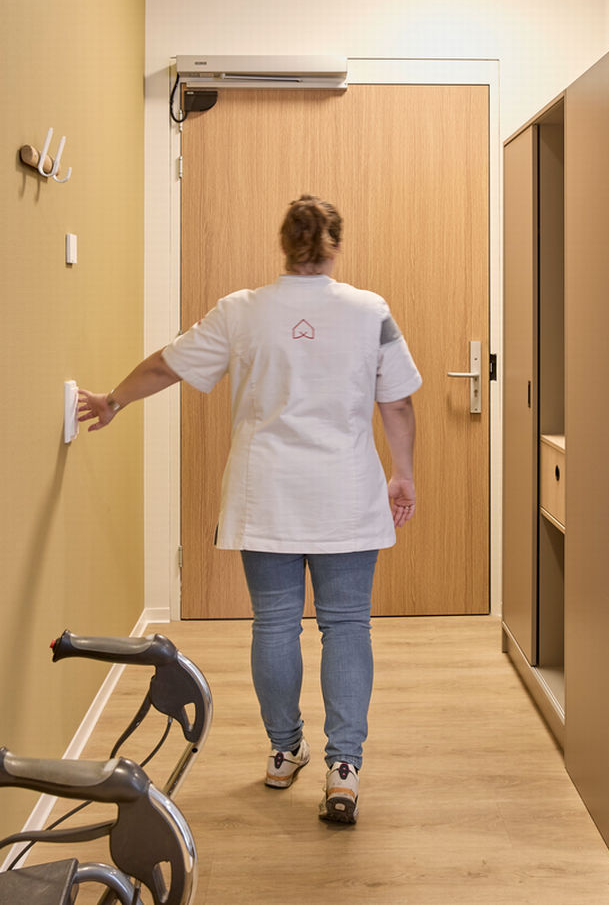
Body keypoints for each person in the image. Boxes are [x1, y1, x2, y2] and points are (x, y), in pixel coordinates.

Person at [78, 194, 421, 825]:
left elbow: (166, 365)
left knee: (275, 624)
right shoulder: (370, 311)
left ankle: (283, 752)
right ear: (334, 246)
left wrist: (114, 401)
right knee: (347, 626)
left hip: (267, 494)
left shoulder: (241, 311)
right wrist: (402, 473)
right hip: (346, 492)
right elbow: (396, 403)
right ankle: (343, 771)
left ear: (283, 244)